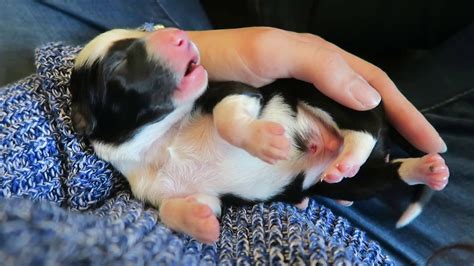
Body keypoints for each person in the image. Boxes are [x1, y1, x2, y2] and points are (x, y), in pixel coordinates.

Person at [1, 0, 472, 264]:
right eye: (127, 58)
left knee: (356, 109)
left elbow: (231, 100)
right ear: (91, 120)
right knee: (348, 179)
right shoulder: (139, 178)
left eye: (149, 37)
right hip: (312, 182)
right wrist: (188, 215)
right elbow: (195, 202)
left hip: (300, 113)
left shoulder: (184, 115)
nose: (171, 35)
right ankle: (403, 171)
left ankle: (373, 147)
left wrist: (240, 126)